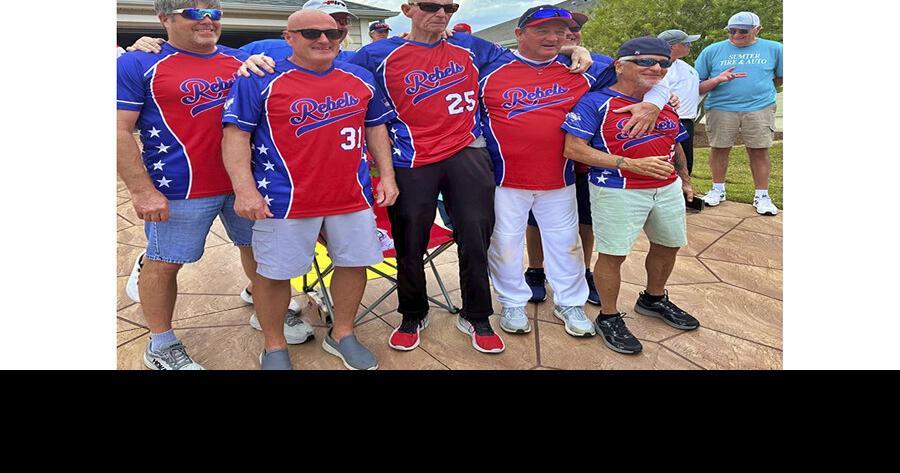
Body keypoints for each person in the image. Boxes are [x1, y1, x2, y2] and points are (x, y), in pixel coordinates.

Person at [221, 9, 399, 370]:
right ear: (289, 38)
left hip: (351, 195)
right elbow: (235, 134)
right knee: (273, 274)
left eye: (332, 34)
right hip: (284, 199)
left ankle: (342, 333)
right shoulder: (260, 77)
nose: (324, 40)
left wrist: (389, 177)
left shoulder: (360, 77)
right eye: (311, 33)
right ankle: (274, 346)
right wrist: (244, 189)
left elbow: (376, 128)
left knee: (353, 263)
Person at [480, 6, 671, 337]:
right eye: (542, 31)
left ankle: (569, 302)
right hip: (505, 179)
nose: (553, 38)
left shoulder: (585, 68)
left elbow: (643, 74)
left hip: (561, 178)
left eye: (560, 31)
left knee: (566, 243)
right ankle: (512, 301)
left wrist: (656, 100)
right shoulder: (490, 70)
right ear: (519, 34)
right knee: (505, 244)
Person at [117, 0, 271, 370]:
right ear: (164, 18)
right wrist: (142, 190)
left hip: (245, 184)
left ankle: (265, 305)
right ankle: (160, 344)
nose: (206, 19)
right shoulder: (137, 62)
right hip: (179, 189)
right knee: (165, 263)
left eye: (213, 11)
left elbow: (316, 58)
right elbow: (117, 130)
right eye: (192, 11)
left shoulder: (245, 61)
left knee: (259, 252)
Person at [522, 10, 672, 308]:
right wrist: (570, 49)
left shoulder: (601, 63)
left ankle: (584, 271)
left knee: (586, 221)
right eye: (559, 29)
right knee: (536, 220)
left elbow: (653, 79)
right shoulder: (536, 61)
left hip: (589, 156)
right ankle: (536, 270)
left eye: (573, 28)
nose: (569, 33)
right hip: (542, 155)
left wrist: (655, 103)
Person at [562, 36, 701, 355]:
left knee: (668, 246)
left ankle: (653, 299)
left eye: (664, 63)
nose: (656, 68)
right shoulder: (595, 101)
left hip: (666, 189)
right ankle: (608, 316)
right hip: (617, 189)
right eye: (646, 61)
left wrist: (685, 179)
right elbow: (573, 149)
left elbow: (675, 140)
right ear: (620, 64)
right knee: (613, 255)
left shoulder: (661, 100)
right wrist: (630, 163)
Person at [695, 11, 782, 215]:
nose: (736, 34)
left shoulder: (775, 49)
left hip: (760, 108)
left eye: (743, 30)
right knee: (719, 148)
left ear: (757, 29)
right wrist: (719, 80)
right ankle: (718, 190)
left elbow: (780, 77)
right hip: (721, 107)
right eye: (731, 30)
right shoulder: (712, 51)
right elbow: (697, 82)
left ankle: (762, 196)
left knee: (759, 150)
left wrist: (759, 89)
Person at [126, 0, 358, 63]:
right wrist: (155, 43)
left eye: (342, 21)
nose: (334, 27)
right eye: (313, 30)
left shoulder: (358, 61)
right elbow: (211, 58)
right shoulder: (262, 50)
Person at [658, 29, 702, 175]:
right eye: (686, 43)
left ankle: (685, 193)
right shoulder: (657, 67)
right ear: (672, 46)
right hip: (668, 120)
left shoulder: (686, 67)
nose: (690, 45)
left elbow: (697, 89)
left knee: (686, 162)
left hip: (687, 120)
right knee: (669, 161)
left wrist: (718, 79)